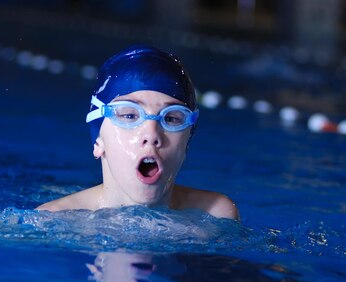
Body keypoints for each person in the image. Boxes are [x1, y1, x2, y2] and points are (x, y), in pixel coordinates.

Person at [36, 45, 239, 220]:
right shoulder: (51, 221)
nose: (151, 135)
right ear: (98, 141)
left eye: (171, 118)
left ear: (186, 143)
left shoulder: (216, 214)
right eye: (130, 115)